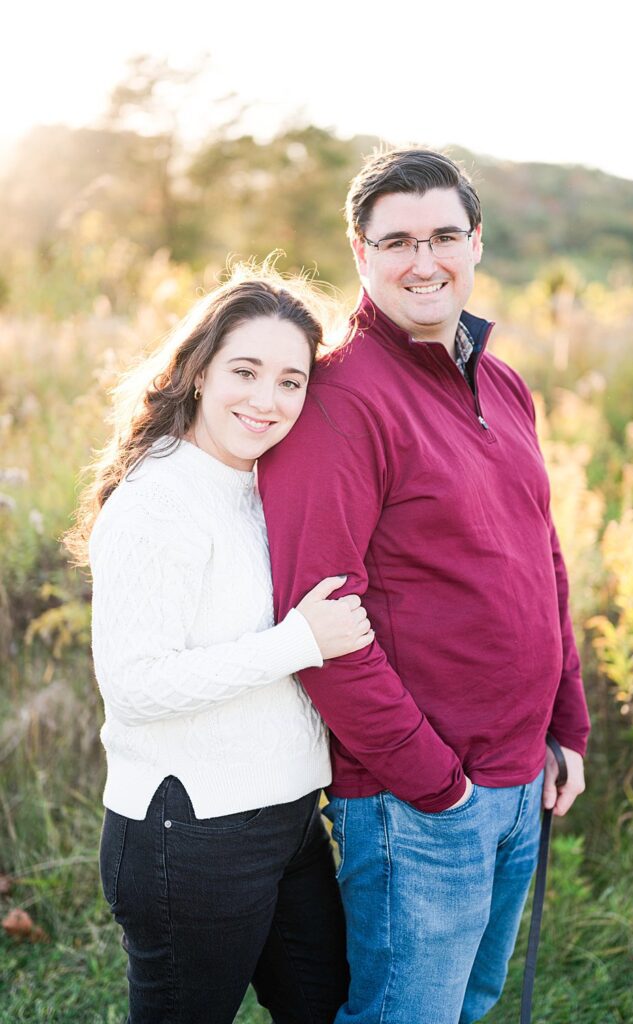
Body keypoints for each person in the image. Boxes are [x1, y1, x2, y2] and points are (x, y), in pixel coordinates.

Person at [258, 149, 591, 1024]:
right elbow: (316, 622)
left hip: (522, 779)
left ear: (475, 243)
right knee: (407, 1015)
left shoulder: (504, 381)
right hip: (420, 802)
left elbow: (539, 559)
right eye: (396, 239)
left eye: (443, 235)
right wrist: (433, 784)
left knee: (467, 1003)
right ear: (360, 252)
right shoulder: (339, 399)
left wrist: (566, 727)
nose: (423, 259)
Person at [65, 264, 375, 1024]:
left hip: (288, 818)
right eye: (245, 371)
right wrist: (297, 641)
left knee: (323, 1008)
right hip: (191, 835)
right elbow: (135, 686)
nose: (266, 401)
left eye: (290, 382)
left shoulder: (261, 484)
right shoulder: (159, 500)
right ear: (199, 371)